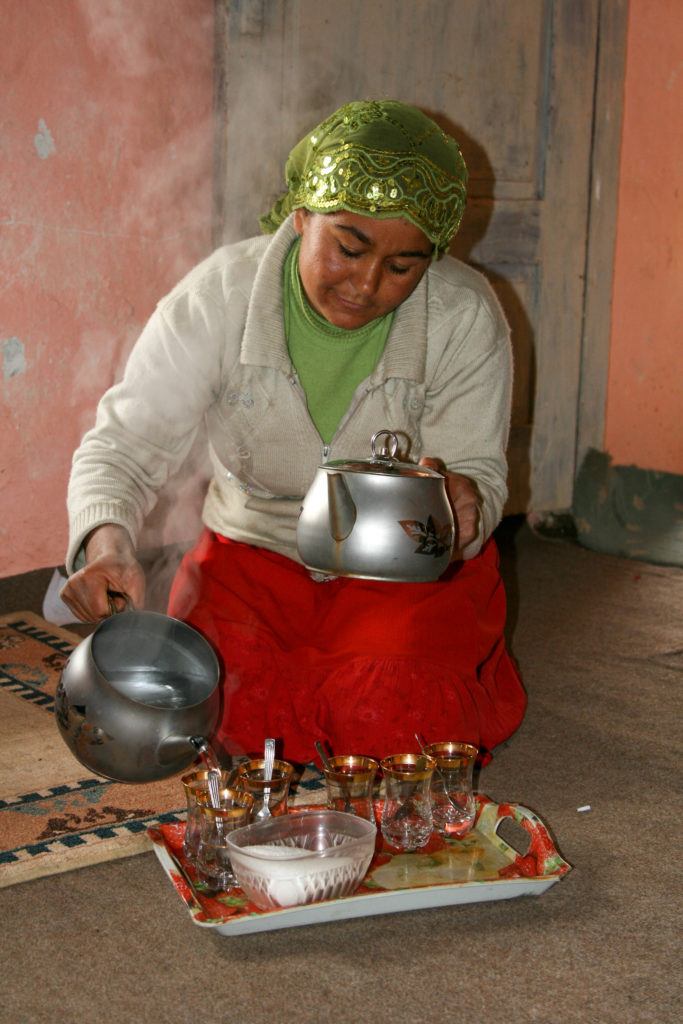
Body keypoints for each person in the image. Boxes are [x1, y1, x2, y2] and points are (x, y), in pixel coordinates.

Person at [61, 99, 526, 766]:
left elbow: (476, 477)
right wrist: (105, 544)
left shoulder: (462, 316)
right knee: (215, 713)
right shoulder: (217, 298)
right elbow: (123, 448)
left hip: (405, 576)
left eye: (403, 266)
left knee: (391, 718)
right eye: (349, 246)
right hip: (253, 558)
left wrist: (460, 510)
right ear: (302, 214)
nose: (366, 285)